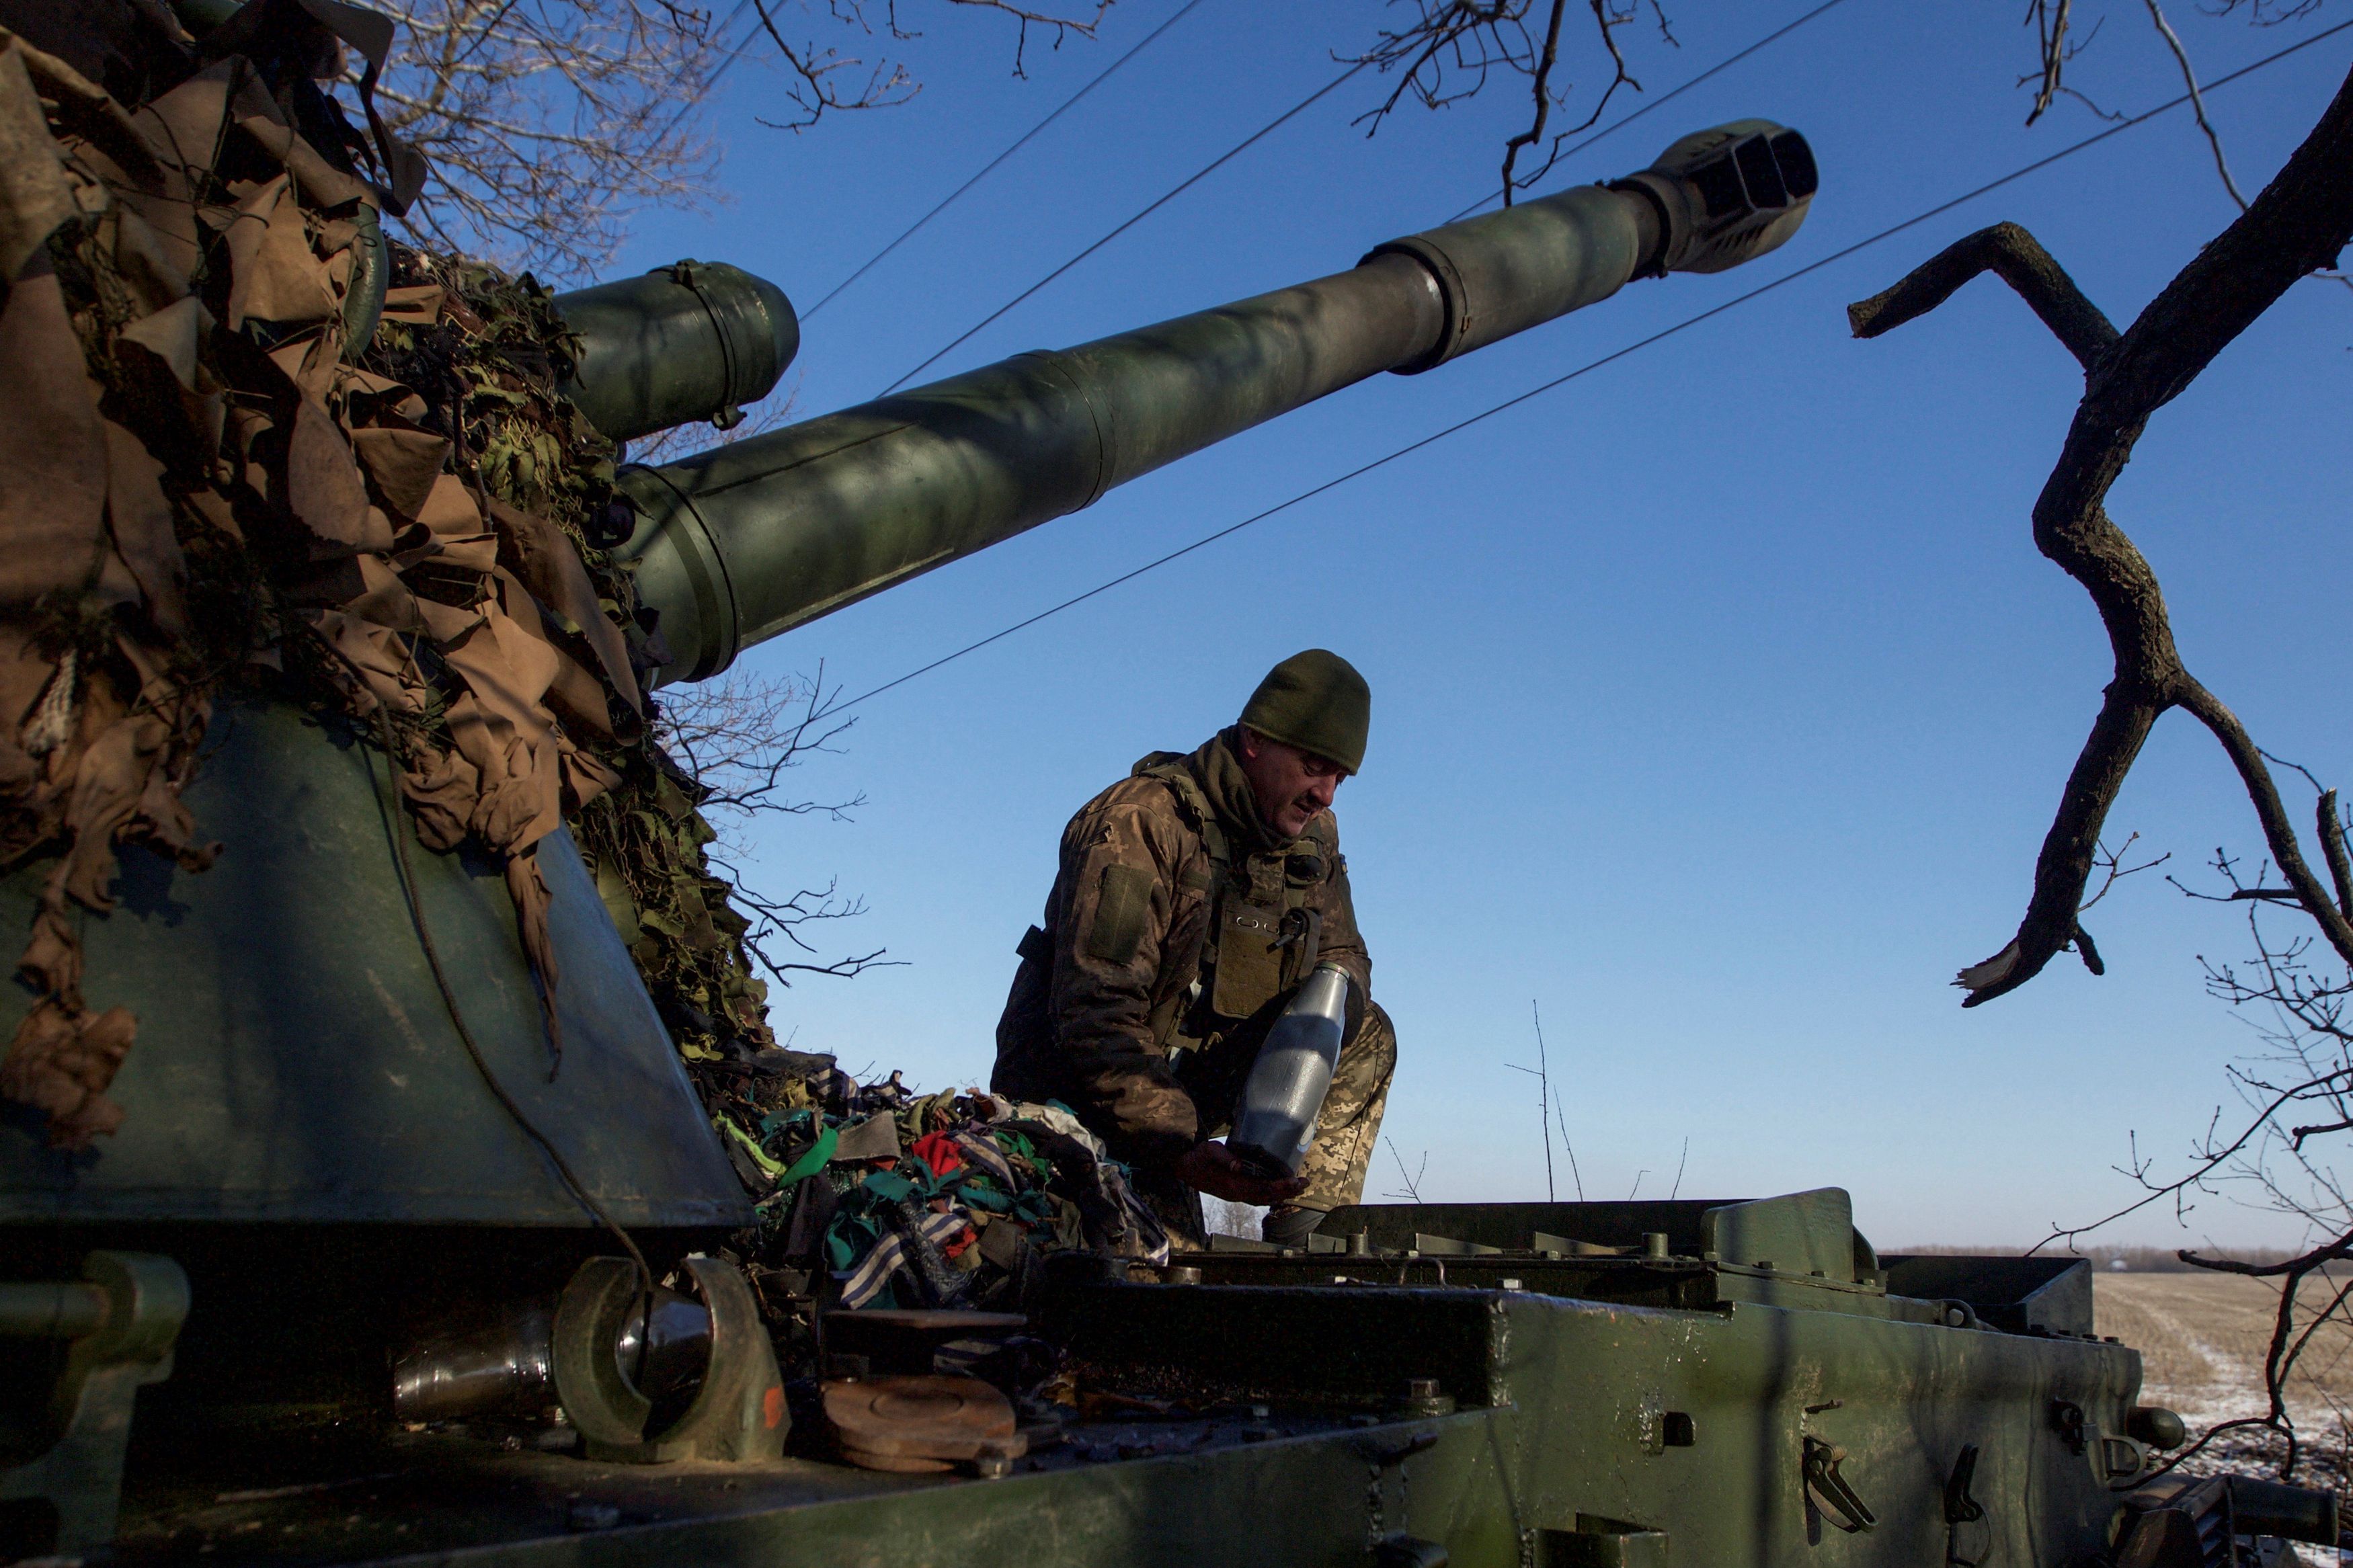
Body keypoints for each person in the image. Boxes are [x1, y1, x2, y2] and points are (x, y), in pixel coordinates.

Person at [992, 650, 1396, 1249]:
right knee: (1155, 1284)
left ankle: (1304, 1242)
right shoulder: (1140, 825)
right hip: (1083, 1101)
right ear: (1255, 741)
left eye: (1341, 777)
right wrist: (1179, 1147)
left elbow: (1347, 958)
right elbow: (1096, 1017)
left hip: (1190, 1089)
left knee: (1364, 1028)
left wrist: (1288, 1083)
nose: (1327, 795)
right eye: (1315, 766)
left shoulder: (1312, 843)